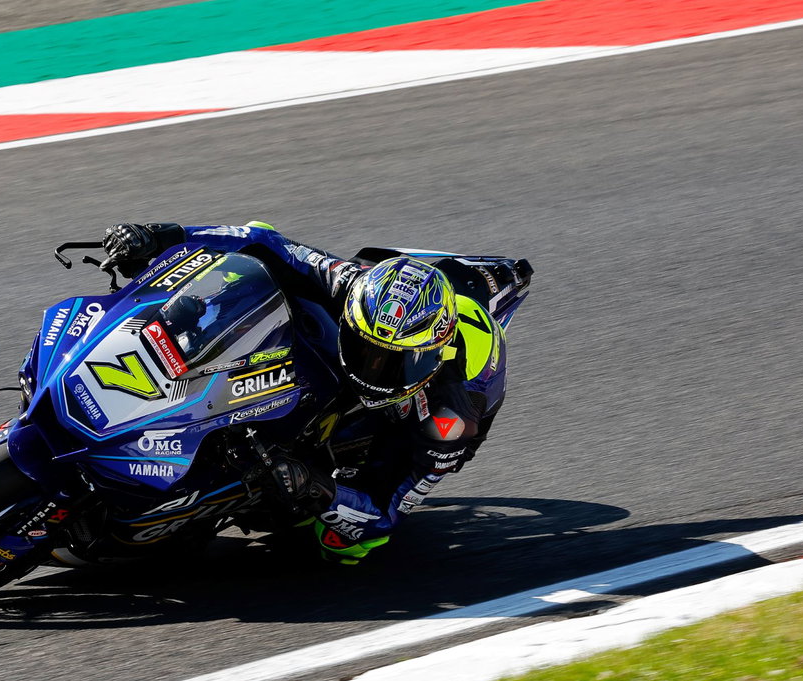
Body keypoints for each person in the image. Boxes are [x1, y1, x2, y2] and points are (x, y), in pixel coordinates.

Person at [101, 221, 530, 564]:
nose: (372, 367)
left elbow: (384, 513)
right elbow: (262, 238)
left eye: (390, 361)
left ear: (430, 355)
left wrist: (316, 488)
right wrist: (164, 235)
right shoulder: (350, 283)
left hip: (426, 410)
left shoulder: (451, 418)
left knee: (342, 544)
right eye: (364, 349)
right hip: (388, 302)